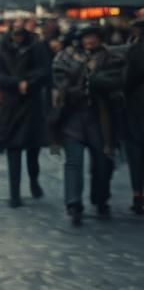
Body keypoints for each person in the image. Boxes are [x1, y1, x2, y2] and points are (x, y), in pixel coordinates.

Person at [51, 25, 125, 226]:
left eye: (93, 37)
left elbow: (117, 81)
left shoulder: (110, 57)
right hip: (73, 116)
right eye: (86, 37)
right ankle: (73, 203)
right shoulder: (66, 56)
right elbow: (60, 80)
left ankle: (101, 199)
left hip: (100, 117)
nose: (89, 41)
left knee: (102, 162)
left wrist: (95, 80)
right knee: (73, 162)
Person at [0, 21, 51, 207]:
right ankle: (14, 193)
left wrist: (29, 82)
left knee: (33, 150)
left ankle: (34, 181)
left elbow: (44, 71)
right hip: (12, 105)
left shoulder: (36, 47)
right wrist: (16, 83)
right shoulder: (3, 49)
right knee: (14, 149)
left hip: (32, 104)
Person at [124, 21, 144, 214]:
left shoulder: (136, 51)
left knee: (136, 153)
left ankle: (138, 194)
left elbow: (128, 81)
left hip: (137, 108)